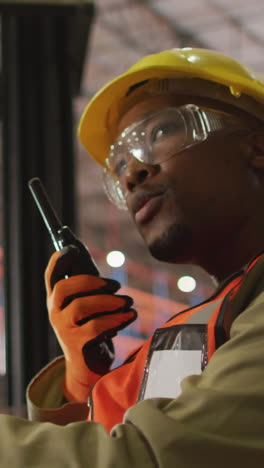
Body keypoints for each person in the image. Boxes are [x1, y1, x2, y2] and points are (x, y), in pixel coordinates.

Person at [0, 47, 264, 466]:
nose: (131, 173)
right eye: (119, 162)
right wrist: (82, 387)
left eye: (159, 134)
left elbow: (148, 458)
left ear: (257, 148)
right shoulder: (225, 319)